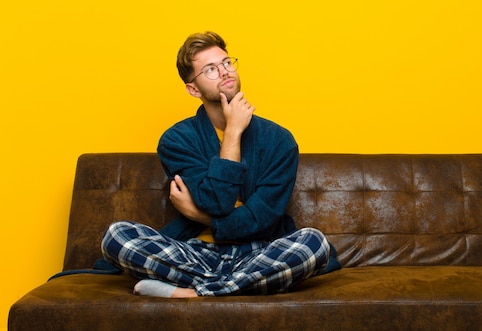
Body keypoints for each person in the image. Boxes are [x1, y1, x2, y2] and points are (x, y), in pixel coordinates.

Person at [100, 31, 339, 298]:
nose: (225, 72)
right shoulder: (176, 140)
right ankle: (237, 286)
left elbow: (261, 219)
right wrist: (234, 133)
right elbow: (218, 201)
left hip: (261, 251)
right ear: (193, 89)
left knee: (314, 244)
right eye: (210, 69)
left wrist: (202, 217)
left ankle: (191, 293)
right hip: (192, 253)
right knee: (117, 236)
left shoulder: (280, 140)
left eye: (226, 63)